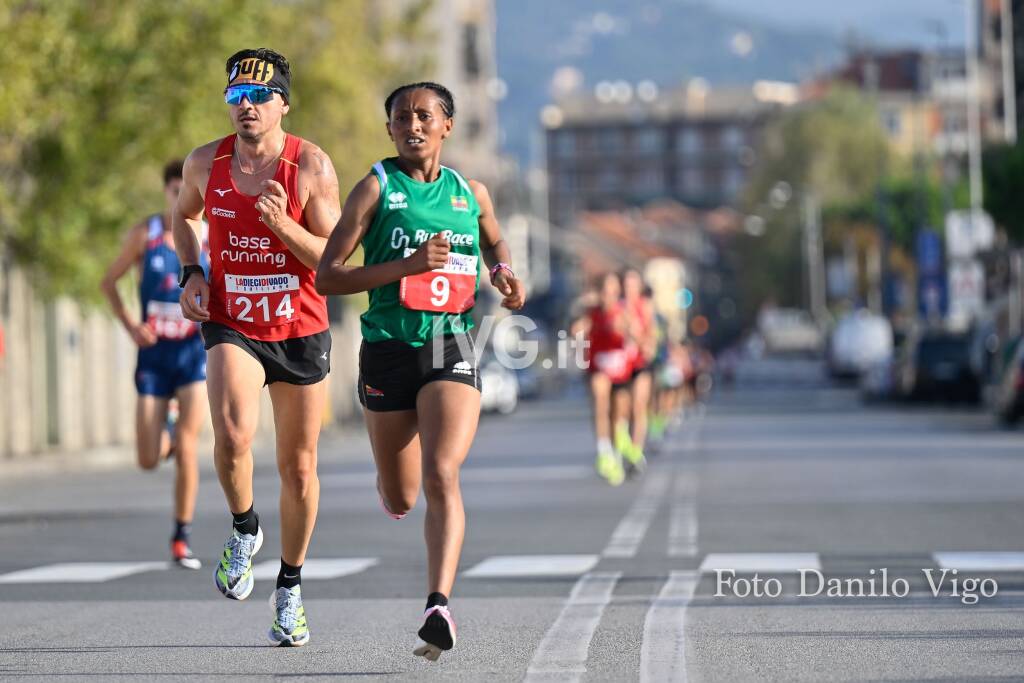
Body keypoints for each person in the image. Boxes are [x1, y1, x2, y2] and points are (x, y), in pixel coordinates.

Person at [315, 81, 525, 661]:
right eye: (401, 117)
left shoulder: (470, 193)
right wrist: (405, 264)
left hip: (447, 342)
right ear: (389, 130)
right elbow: (328, 276)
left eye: (424, 115)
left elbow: (494, 237)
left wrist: (503, 271)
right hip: (386, 347)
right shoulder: (374, 189)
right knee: (403, 493)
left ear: (446, 126)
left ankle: (438, 603)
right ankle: (391, 487)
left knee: (442, 472)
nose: (413, 124)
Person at [172, 48, 341, 648]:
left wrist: (284, 228)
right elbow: (183, 216)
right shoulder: (205, 162)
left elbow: (339, 259)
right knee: (233, 435)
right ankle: (245, 527)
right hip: (233, 319)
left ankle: (289, 587)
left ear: (283, 105)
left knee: (299, 468)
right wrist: (192, 271)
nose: (246, 107)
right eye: (236, 97)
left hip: (299, 326)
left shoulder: (311, 167)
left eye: (259, 97)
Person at [101, 159, 207, 570]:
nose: (180, 197)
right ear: (166, 192)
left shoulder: (211, 235)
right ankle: (168, 431)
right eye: (174, 190)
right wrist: (131, 327)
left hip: (193, 356)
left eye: (187, 190)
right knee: (148, 458)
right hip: (154, 356)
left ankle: (181, 536)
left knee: (189, 445)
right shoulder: (147, 235)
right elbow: (108, 282)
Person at [571, 272, 631, 486]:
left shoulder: (623, 311)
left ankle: (616, 452)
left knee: (617, 414)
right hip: (598, 366)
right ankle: (603, 451)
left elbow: (636, 334)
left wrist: (626, 330)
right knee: (600, 401)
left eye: (613, 291)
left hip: (621, 369)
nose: (609, 295)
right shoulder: (592, 313)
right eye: (605, 291)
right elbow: (576, 329)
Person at [617, 269, 656, 475]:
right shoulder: (616, 306)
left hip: (640, 362)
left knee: (639, 406)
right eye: (626, 284)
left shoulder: (645, 306)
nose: (629, 288)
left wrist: (644, 342)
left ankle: (636, 451)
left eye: (633, 284)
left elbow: (651, 335)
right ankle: (623, 445)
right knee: (623, 409)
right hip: (621, 364)